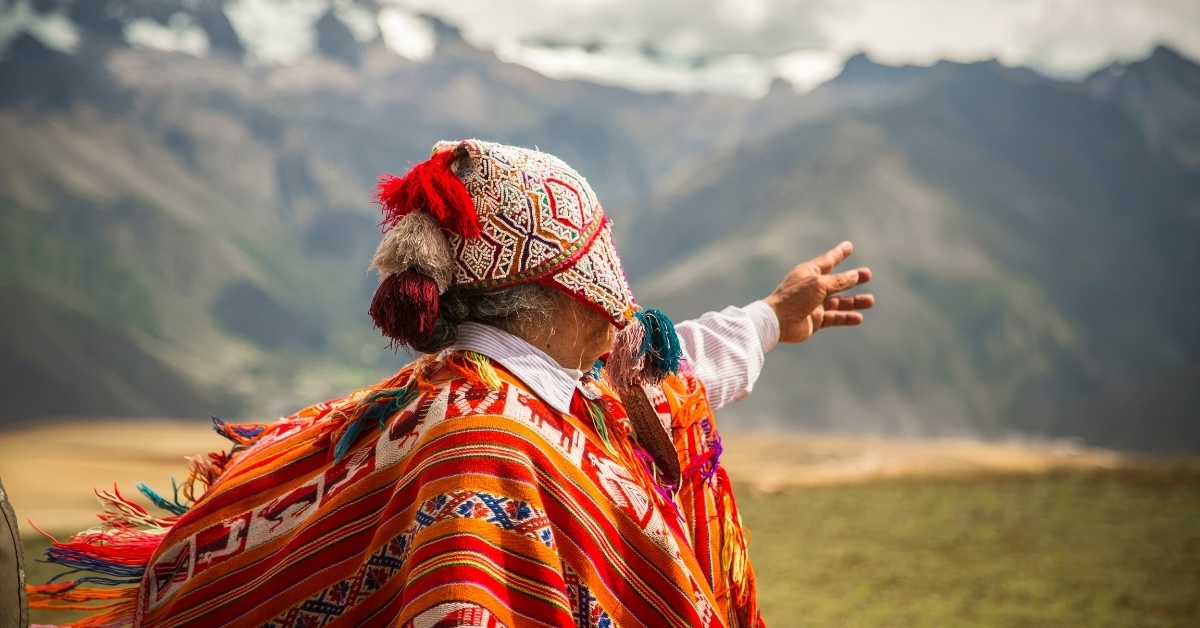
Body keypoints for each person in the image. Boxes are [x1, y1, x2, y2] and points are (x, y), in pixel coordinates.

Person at [28, 140, 873, 627]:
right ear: (564, 291)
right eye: (604, 264)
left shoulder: (473, 393)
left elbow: (659, 375)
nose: (625, 301)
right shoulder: (486, 443)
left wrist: (770, 315)